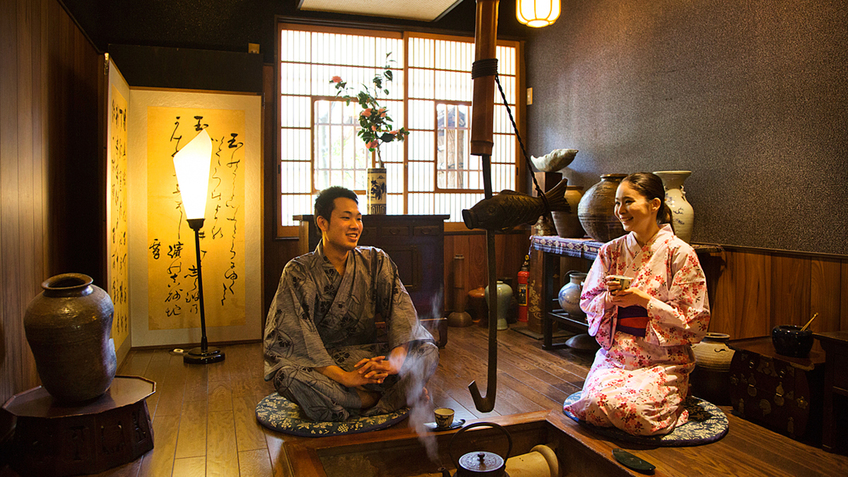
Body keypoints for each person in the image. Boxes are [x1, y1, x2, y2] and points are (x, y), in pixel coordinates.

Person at [263, 186, 439, 422]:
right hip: (324, 366)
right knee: (285, 377)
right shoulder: (298, 272)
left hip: (367, 359)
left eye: (358, 219)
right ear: (323, 223)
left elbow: (401, 312)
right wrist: (347, 378)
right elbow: (294, 338)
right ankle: (379, 400)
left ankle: (356, 401)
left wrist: (394, 362)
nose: (355, 226)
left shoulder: (376, 260)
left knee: (427, 350)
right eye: (346, 218)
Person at [564, 172, 710, 436]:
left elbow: (694, 320)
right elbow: (587, 301)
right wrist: (610, 298)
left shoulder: (680, 254)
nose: (620, 211)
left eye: (628, 202)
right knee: (593, 407)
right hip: (617, 356)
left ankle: (676, 400)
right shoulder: (610, 251)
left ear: (654, 205)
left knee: (638, 414)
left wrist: (644, 301)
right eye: (617, 203)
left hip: (662, 359)